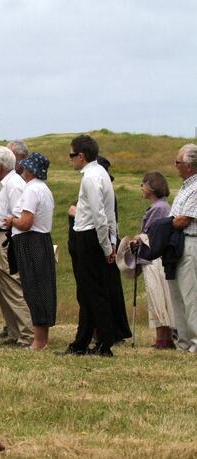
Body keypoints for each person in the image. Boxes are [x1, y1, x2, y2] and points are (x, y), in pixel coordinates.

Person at [65, 135, 131, 356]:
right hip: (98, 237)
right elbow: (109, 214)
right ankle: (83, 342)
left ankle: (104, 343)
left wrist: (106, 246)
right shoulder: (101, 173)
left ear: (81, 156)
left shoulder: (91, 178)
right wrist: (111, 241)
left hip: (89, 236)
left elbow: (99, 215)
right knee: (90, 291)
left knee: (92, 292)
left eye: (72, 155)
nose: (70, 159)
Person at [3, 153, 56, 351]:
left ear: (31, 170)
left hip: (31, 242)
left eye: (24, 167)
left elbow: (26, 223)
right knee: (40, 288)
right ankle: (41, 339)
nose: (21, 170)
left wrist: (11, 221)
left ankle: (39, 341)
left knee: (35, 290)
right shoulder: (43, 189)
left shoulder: (32, 190)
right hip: (39, 241)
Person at [0, 146, 34, 347]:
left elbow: (20, 214)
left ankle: (27, 333)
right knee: (4, 286)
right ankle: (16, 332)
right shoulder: (7, 183)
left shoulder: (13, 184)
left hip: (6, 237)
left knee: (12, 285)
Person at [130, 171, 175, 349]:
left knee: (159, 297)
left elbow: (154, 235)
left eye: (143, 183)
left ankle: (163, 339)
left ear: (151, 186)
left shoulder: (159, 208)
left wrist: (139, 238)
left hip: (155, 259)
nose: (141, 187)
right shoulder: (160, 206)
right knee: (159, 298)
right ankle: (163, 338)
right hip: (155, 258)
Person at [168, 144, 197, 353]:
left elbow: (182, 220)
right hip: (178, 244)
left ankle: (195, 344)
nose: (175, 166)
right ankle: (183, 342)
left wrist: (166, 224)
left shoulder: (196, 188)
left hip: (190, 241)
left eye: (178, 162)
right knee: (178, 295)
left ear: (189, 166)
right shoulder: (185, 187)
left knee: (191, 295)